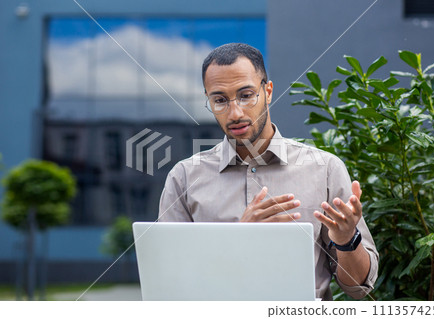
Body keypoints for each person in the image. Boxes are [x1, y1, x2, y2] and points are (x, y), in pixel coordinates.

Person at [158, 43, 378, 300]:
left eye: (246, 95)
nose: (235, 112)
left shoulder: (326, 170)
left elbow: (358, 288)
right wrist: (238, 240)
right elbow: (169, 284)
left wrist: (346, 240)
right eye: (219, 100)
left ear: (268, 91)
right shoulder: (184, 177)